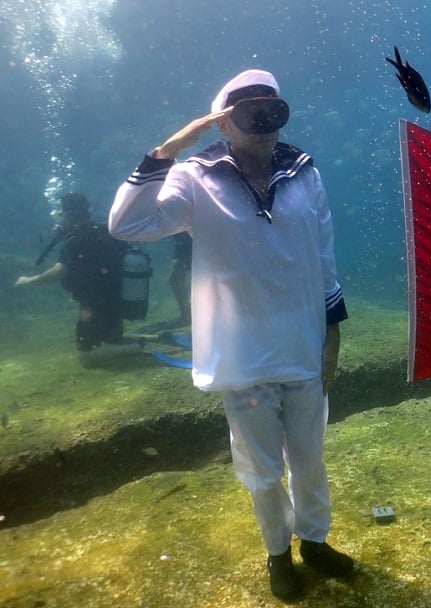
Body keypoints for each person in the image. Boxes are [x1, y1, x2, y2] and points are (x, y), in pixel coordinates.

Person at [107, 69, 352, 601]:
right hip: (241, 355)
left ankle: (314, 542)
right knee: (262, 469)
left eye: (273, 113)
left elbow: (324, 254)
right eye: (249, 116)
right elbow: (127, 225)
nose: (264, 126)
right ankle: (278, 554)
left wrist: (332, 333)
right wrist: (168, 150)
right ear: (223, 122)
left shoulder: (304, 172)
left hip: (304, 344)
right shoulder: (195, 176)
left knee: (309, 458)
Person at [14, 193, 143, 368]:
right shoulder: (104, 230)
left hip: (94, 305)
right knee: (111, 339)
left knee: (85, 357)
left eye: (59, 215)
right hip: (117, 299)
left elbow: (58, 272)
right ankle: (157, 338)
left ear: (68, 215)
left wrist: (29, 281)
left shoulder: (75, 241)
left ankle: (138, 348)